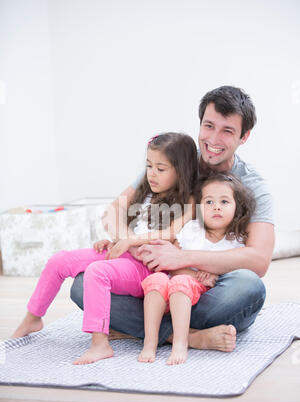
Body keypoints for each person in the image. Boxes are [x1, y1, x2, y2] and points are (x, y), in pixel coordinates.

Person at [70, 85, 275, 353]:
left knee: (249, 287)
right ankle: (189, 337)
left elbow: (258, 260)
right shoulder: (174, 161)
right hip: (150, 278)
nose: (213, 138)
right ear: (200, 124)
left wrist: (182, 259)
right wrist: (132, 245)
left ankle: (147, 328)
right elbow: (114, 211)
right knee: (82, 285)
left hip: (203, 286)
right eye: (209, 126)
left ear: (244, 137)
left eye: (227, 131)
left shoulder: (253, 184)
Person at [11, 132, 199, 364]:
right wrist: (119, 241)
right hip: (125, 254)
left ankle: (100, 344)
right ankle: (33, 318)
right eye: (149, 165)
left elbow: (170, 232)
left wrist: (130, 242)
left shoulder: (188, 199)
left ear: (181, 171)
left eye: (161, 169)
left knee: (97, 272)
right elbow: (115, 216)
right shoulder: (145, 192)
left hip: (147, 267)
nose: (152, 173)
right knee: (59, 260)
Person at [139, 173, 256, 365]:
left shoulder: (236, 240)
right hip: (171, 294)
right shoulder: (191, 230)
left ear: (237, 208)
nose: (216, 207)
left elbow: (232, 278)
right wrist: (194, 274)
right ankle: (150, 341)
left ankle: (180, 341)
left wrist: (214, 275)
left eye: (224, 202)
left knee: (181, 282)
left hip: (202, 302)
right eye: (209, 202)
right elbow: (171, 264)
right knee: (157, 280)